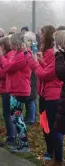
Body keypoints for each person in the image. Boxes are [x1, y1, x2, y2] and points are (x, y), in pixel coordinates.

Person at [28, 25, 63, 164]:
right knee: (47, 124)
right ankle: (53, 155)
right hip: (47, 93)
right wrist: (41, 61)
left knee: (54, 129)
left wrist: (33, 62)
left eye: (42, 33)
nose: (39, 35)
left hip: (54, 95)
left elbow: (45, 74)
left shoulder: (57, 56)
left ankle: (57, 158)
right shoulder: (56, 56)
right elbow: (47, 70)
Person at [52, 30, 65, 166]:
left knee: (58, 130)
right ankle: (57, 160)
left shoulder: (60, 56)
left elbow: (60, 73)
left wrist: (59, 55)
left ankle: (58, 161)